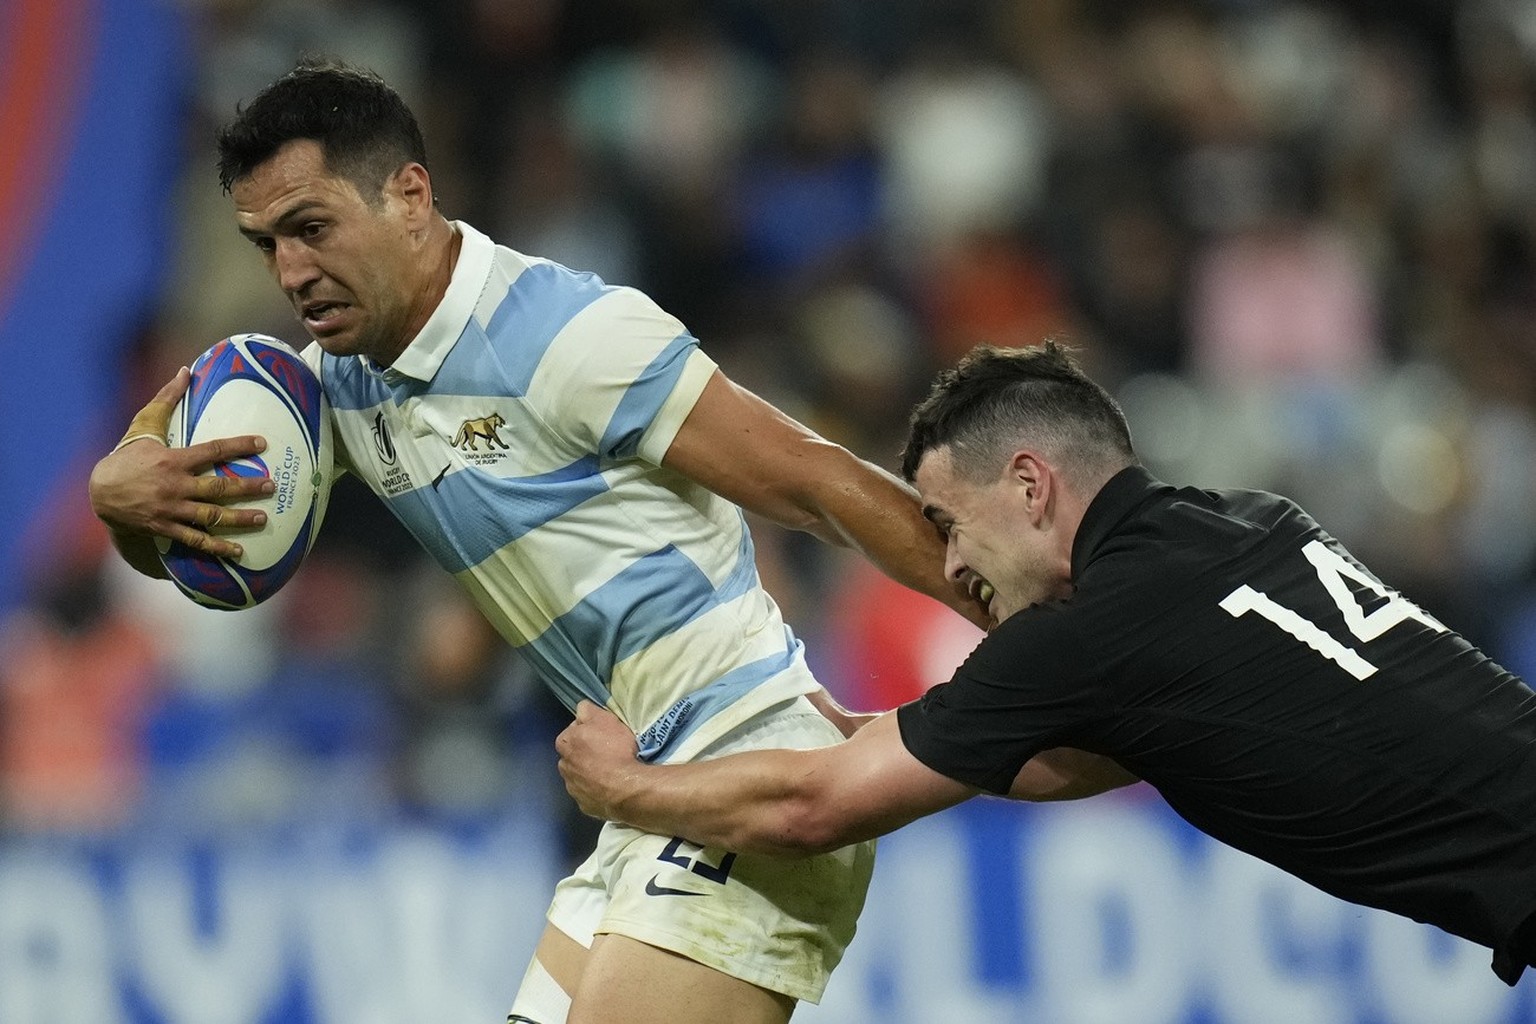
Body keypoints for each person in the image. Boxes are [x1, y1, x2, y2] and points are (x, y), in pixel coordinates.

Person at [86, 58, 987, 1024]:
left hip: (745, 755)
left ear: (410, 197)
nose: (293, 271)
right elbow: (216, 563)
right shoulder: (336, 391)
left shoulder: (564, 336)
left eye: (313, 227)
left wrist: (1034, 621)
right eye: (266, 244)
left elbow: (821, 487)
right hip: (638, 804)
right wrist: (126, 508)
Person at [556, 341, 1536, 987]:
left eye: (948, 523)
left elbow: (812, 811)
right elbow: (1128, 745)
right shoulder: (1246, 519)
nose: (948, 565)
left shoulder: (1092, 634)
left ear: (1030, 484)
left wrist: (629, 788)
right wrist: (878, 735)